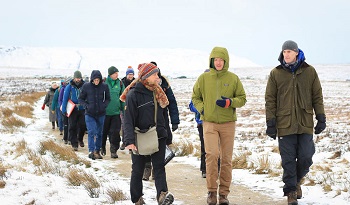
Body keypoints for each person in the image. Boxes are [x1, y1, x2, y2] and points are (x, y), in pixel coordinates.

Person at [265, 40, 326, 205]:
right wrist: (270, 123)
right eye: (284, 52)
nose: (286, 54)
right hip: (284, 124)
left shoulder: (310, 71)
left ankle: (295, 181)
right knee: (288, 160)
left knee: (306, 157)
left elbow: (317, 96)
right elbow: (270, 100)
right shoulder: (275, 73)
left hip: (305, 122)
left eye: (289, 52)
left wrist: (321, 117)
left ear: (296, 52)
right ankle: (291, 191)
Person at [192, 46, 247, 205]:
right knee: (212, 155)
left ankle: (223, 194)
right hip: (209, 123)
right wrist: (203, 109)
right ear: (211, 61)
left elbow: (242, 98)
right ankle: (211, 192)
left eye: (221, 60)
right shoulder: (203, 78)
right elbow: (195, 97)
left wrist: (230, 102)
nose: (218, 62)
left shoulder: (233, 78)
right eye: (215, 60)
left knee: (226, 159)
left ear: (226, 61)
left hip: (228, 123)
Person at [120, 62, 174, 205]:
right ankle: (137, 199)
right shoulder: (133, 95)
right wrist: (129, 141)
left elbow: (164, 115)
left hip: (158, 135)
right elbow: (128, 120)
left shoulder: (158, 91)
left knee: (159, 167)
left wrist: (167, 135)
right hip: (140, 137)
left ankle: (162, 195)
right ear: (147, 76)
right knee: (138, 170)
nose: (158, 77)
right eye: (155, 74)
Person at [142, 61, 180, 181]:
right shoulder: (142, 85)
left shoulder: (164, 84)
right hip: (147, 120)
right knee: (148, 145)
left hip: (162, 119)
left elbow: (172, 102)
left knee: (162, 144)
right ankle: (147, 167)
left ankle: (157, 168)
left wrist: (175, 121)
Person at [79, 70, 110, 160]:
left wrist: (104, 105)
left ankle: (97, 150)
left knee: (99, 133)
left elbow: (108, 98)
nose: (96, 82)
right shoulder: (86, 86)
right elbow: (81, 99)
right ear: (92, 79)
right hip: (89, 113)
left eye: (98, 80)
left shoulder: (104, 86)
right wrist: (86, 106)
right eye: (95, 80)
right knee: (91, 131)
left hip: (101, 113)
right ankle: (91, 151)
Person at [101, 66, 125, 158]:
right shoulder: (104, 83)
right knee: (103, 132)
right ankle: (102, 147)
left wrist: (124, 109)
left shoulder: (120, 83)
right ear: (110, 74)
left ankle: (113, 150)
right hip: (105, 113)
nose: (117, 75)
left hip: (116, 113)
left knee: (115, 132)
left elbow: (123, 97)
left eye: (117, 73)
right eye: (115, 73)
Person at [61, 70, 86, 151]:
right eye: (76, 78)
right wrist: (64, 109)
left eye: (79, 78)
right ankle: (74, 143)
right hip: (73, 109)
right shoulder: (69, 86)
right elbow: (65, 98)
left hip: (82, 108)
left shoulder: (84, 85)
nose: (78, 79)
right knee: (72, 126)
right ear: (74, 78)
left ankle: (80, 139)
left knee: (82, 125)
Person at [120, 65, 136, 150]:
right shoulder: (122, 82)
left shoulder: (136, 82)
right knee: (124, 124)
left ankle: (133, 142)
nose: (130, 76)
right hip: (124, 106)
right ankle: (124, 141)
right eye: (129, 74)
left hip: (134, 106)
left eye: (132, 74)